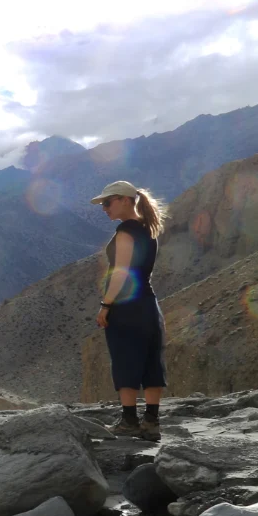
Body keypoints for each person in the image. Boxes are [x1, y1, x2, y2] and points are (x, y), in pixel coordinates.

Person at [91, 180, 169, 441]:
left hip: (126, 307)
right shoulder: (149, 229)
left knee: (126, 360)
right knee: (151, 361)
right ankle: (152, 422)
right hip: (149, 305)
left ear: (125, 200)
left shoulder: (125, 231)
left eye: (107, 202)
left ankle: (128, 421)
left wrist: (106, 305)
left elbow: (121, 273)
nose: (104, 208)